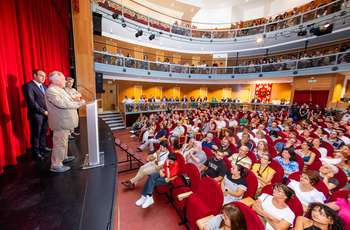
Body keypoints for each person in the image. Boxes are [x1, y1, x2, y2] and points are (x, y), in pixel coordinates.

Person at [45, 71, 85, 172]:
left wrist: (75, 101)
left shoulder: (60, 90)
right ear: (54, 80)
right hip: (60, 121)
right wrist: (77, 104)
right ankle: (56, 165)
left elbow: (67, 101)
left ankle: (63, 157)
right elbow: (60, 103)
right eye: (63, 79)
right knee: (59, 143)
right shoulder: (51, 91)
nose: (65, 81)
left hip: (65, 121)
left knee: (64, 142)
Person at [22, 69, 51, 161]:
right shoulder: (28, 86)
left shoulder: (45, 87)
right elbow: (31, 101)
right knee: (36, 134)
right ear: (35, 75)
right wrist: (43, 111)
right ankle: (36, 153)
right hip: (36, 114)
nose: (44, 78)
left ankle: (42, 147)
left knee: (44, 132)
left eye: (45, 77)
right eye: (42, 76)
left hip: (46, 114)